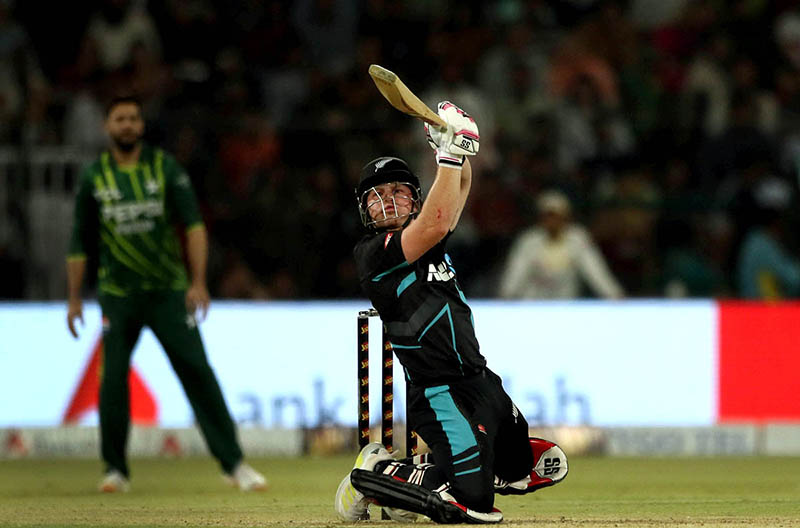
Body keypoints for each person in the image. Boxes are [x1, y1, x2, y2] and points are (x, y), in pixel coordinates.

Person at [335, 102, 568, 524]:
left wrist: (456, 145)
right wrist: (450, 153)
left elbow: (456, 194)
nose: (388, 202)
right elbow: (437, 222)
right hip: (439, 394)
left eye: (399, 192)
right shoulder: (374, 255)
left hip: (480, 381)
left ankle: (415, 485)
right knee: (473, 503)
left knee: (516, 472)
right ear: (363, 210)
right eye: (377, 196)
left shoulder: (428, 241)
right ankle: (372, 471)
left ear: (415, 199)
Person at [65, 95, 267, 493]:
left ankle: (235, 464)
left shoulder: (165, 168)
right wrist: (74, 297)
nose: (126, 125)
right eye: (119, 118)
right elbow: (78, 241)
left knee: (197, 371)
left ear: (141, 126)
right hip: (118, 295)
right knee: (112, 380)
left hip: (169, 293)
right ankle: (115, 470)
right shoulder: (94, 177)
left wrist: (198, 282)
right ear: (108, 127)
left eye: (133, 118)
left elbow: (193, 225)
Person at [498, 189, 624, 299]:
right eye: (548, 216)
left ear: (565, 217)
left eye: (556, 216)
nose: (552, 221)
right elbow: (516, 271)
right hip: (532, 304)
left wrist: (614, 294)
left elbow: (595, 271)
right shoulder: (529, 240)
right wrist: (506, 295)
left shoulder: (578, 239)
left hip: (565, 304)